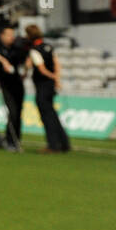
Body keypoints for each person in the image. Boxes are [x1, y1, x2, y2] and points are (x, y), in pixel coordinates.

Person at [25, 25, 70, 153]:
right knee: (53, 114)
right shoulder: (49, 47)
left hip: (42, 85)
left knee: (46, 116)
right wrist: (57, 79)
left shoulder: (34, 50)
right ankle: (64, 143)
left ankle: (53, 145)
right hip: (51, 86)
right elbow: (56, 64)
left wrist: (53, 77)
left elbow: (41, 69)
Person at [0, 23, 29, 151]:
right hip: (6, 85)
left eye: (12, 34)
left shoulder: (17, 48)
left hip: (18, 84)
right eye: (8, 34)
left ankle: (16, 140)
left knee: (18, 113)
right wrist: (3, 61)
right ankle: (10, 140)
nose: (11, 37)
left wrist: (25, 70)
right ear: (2, 36)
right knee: (13, 112)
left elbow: (25, 60)